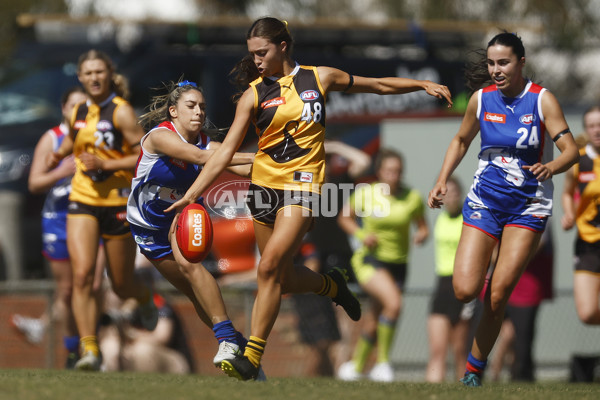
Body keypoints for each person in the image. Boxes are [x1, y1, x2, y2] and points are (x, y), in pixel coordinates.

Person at [164, 16, 452, 381]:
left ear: (283, 46)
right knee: (280, 278)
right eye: (251, 54)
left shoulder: (320, 77)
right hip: (263, 189)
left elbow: (377, 84)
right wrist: (193, 193)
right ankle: (332, 285)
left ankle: (251, 358)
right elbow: (223, 153)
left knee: (267, 268)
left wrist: (421, 83)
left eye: (262, 52)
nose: (256, 60)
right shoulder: (253, 95)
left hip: (304, 187)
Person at [427, 32, 579, 387]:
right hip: (485, 202)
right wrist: (442, 179)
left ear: (521, 62)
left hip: (528, 207)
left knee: (498, 292)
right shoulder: (481, 100)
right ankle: (479, 272)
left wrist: (551, 168)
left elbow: (571, 150)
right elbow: (462, 139)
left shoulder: (542, 101)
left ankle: (473, 371)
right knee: (464, 290)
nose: (496, 70)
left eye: (504, 63)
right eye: (492, 63)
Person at [126, 80, 259, 375]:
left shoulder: (207, 145)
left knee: (192, 268)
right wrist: (252, 156)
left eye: (202, 107)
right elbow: (202, 159)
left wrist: (284, 163)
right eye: (191, 106)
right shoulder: (160, 136)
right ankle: (239, 348)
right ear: (173, 111)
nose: (198, 112)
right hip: (147, 228)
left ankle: (227, 343)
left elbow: (242, 167)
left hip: (178, 220)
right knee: (194, 291)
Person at [47, 50, 158, 371]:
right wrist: (58, 156)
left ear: (109, 74)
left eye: (99, 72)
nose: (94, 78)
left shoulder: (122, 112)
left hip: (117, 203)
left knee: (121, 284)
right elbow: (74, 141)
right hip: (83, 199)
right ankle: (90, 349)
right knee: (82, 276)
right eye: (88, 73)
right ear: (80, 78)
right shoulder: (78, 110)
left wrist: (107, 164)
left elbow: (143, 155)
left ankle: (144, 297)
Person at [11, 87, 102, 368]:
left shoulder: (99, 134)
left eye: (85, 106)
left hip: (92, 215)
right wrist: (61, 172)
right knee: (66, 290)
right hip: (59, 220)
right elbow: (34, 183)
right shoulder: (52, 138)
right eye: (74, 106)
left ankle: (91, 348)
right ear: (64, 109)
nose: (80, 111)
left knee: (93, 284)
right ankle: (73, 351)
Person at [337, 149, 429, 382]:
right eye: (389, 170)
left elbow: (423, 226)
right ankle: (383, 363)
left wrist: (421, 235)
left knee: (376, 316)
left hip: (399, 264)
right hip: (370, 260)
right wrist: (361, 233)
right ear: (379, 172)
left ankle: (356, 367)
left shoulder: (412, 197)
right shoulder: (366, 193)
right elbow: (344, 217)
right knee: (394, 304)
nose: (394, 175)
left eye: (398, 171)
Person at [99, 264, 194, 374]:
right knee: (109, 346)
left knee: (142, 350)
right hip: (132, 352)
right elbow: (104, 335)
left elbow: (161, 337)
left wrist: (131, 334)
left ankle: (146, 389)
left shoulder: (157, 302)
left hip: (172, 358)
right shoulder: (120, 304)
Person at [426, 176, 475, 383]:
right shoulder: (440, 218)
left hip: (463, 283)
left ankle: (465, 389)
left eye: (455, 193)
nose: (451, 197)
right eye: (447, 193)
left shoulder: (470, 217)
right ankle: (432, 392)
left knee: (460, 349)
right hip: (442, 284)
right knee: (437, 350)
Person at [561, 106, 600, 326]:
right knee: (587, 313)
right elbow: (567, 193)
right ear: (586, 129)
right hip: (588, 244)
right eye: (592, 126)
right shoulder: (579, 161)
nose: (597, 130)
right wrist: (569, 213)